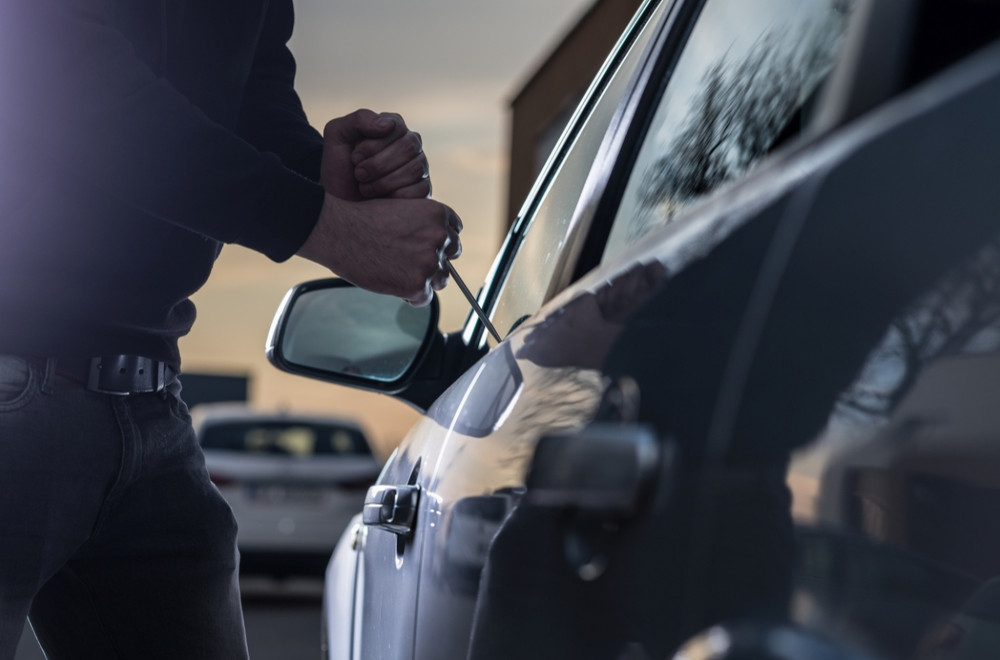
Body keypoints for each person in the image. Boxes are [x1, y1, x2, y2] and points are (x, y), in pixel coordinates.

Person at [0, 0, 461, 657]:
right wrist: (328, 229)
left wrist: (330, 181)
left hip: (150, 407)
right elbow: (70, 85)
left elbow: (250, 102)